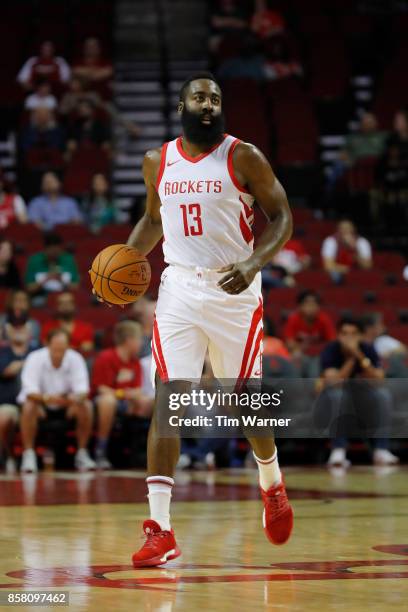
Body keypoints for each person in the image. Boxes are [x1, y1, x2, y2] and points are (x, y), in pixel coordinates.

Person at [117, 72, 294, 566]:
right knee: (168, 399)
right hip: (179, 288)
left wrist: (254, 262)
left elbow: (283, 217)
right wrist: (123, 264)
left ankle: (271, 481)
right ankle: (161, 530)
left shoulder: (244, 156)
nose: (209, 103)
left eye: (216, 97)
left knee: (246, 405)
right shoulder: (158, 161)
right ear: (181, 106)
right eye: (200, 96)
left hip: (234, 288)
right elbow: (154, 220)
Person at [317, 317, 399, 468]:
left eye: (353, 334)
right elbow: (335, 382)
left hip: (360, 401)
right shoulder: (331, 350)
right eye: (344, 333)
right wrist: (351, 359)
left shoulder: (367, 349)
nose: (349, 338)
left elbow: (379, 379)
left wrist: (359, 355)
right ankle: (338, 450)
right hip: (330, 402)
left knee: (383, 395)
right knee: (339, 394)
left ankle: (381, 450)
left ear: (360, 336)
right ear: (338, 335)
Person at [18, 329, 95, 473]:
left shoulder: (76, 358)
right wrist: (47, 399)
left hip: (67, 406)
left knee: (86, 405)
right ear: (47, 344)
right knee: (28, 406)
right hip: (41, 406)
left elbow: (83, 391)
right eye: (55, 349)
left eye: (62, 349)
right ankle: (29, 455)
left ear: (68, 346)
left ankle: (82, 453)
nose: (59, 353)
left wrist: (72, 399)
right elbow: (29, 392)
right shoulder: (34, 358)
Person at [92, 321, 153, 469]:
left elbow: (138, 389)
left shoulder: (135, 362)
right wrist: (122, 394)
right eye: (139, 339)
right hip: (102, 401)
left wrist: (133, 395)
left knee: (153, 402)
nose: (140, 344)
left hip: (127, 402)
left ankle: (150, 451)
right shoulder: (106, 357)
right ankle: (101, 449)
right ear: (129, 340)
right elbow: (101, 388)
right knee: (108, 401)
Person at [0, 324, 32, 472]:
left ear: (31, 332)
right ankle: (8, 456)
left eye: (23, 328)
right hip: (10, 404)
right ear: (8, 332)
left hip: (35, 404)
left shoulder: (37, 351)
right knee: (3, 416)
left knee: (30, 408)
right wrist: (23, 363)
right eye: (15, 329)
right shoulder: (3, 353)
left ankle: (29, 457)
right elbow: (6, 371)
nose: (19, 332)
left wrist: (21, 364)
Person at [25, 232, 80, 299]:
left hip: (64, 296)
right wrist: (46, 278)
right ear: (45, 249)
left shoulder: (69, 260)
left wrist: (61, 279)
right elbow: (29, 288)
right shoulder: (34, 260)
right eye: (52, 251)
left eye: (57, 251)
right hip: (41, 296)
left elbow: (75, 287)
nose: (54, 254)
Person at [283, 290, 336, 356]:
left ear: (319, 307)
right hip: (300, 353)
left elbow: (332, 342)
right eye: (307, 304)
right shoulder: (293, 319)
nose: (311, 307)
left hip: (320, 354)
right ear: (300, 306)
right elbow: (289, 343)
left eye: (314, 304)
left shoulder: (324, 319)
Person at [321, 219, 372, 283]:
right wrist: (348, 270)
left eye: (348, 228)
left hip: (358, 274)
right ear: (338, 230)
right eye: (343, 228)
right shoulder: (330, 241)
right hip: (339, 274)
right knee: (335, 275)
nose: (345, 231)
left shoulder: (362, 242)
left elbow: (367, 266)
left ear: (353, 229)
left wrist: (353, 249)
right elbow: (328, 266)